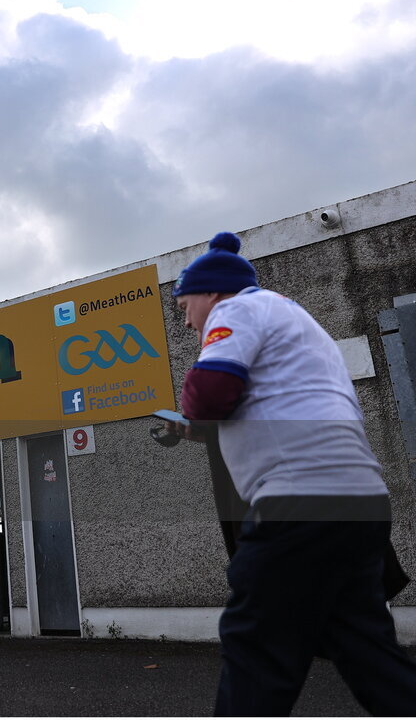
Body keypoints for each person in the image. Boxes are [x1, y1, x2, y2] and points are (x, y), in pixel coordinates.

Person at [167, 231, 416, 715]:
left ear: (212, 292)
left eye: (185, 306)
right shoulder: (298, 319)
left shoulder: (235, 310)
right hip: (358, 503)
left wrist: (194, 392)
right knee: (370, 657)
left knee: (254, 647)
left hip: (300, 504)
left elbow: (209, 395)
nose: (186, 317)